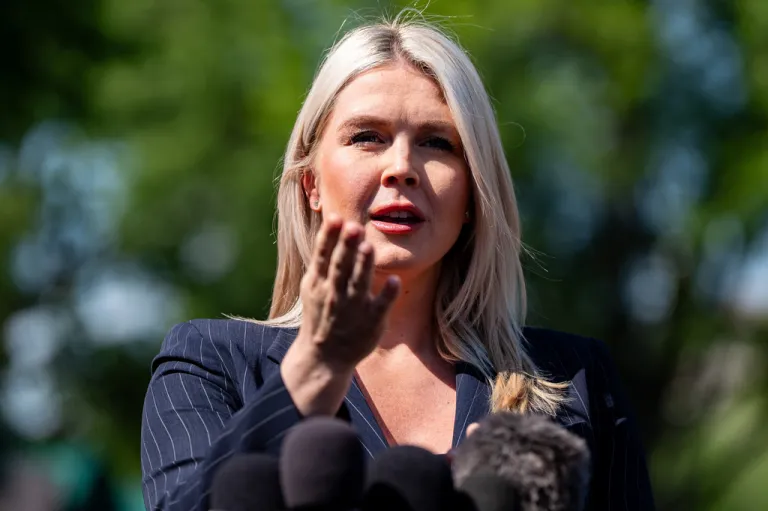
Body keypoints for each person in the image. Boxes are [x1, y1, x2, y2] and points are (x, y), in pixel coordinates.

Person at [140, 12, 655, 511]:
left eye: (437, 143)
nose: (402, 167)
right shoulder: (211, 364)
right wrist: (312, 373)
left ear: (474, 194)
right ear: (311, 185)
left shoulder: (576, 381)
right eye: (368, 137)